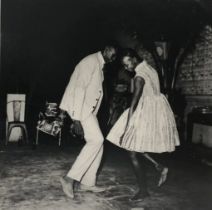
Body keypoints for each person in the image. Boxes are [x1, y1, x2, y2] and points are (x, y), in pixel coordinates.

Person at [106, 48, 180, 201]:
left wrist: (127, 128)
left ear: (133, 58)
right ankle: (159, 166)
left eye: (127, 64)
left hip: (145, 112)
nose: (127, 68)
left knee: (131, 149)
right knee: (134, 146)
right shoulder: (149, 67)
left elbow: (133, 104)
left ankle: (143, 190)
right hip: (157, 110)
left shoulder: (139, 77)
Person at [59, 44, 118, 199]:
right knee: (97, 140)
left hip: (87, 110)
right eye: (113, 53)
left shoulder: (98, 64)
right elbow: (78, 89)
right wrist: (76, 119)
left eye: (115, 55)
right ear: (106, 49)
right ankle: (69, 179)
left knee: (98, 143)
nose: (114, 57)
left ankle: (88, 183)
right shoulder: (90, 61)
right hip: (81, 109)